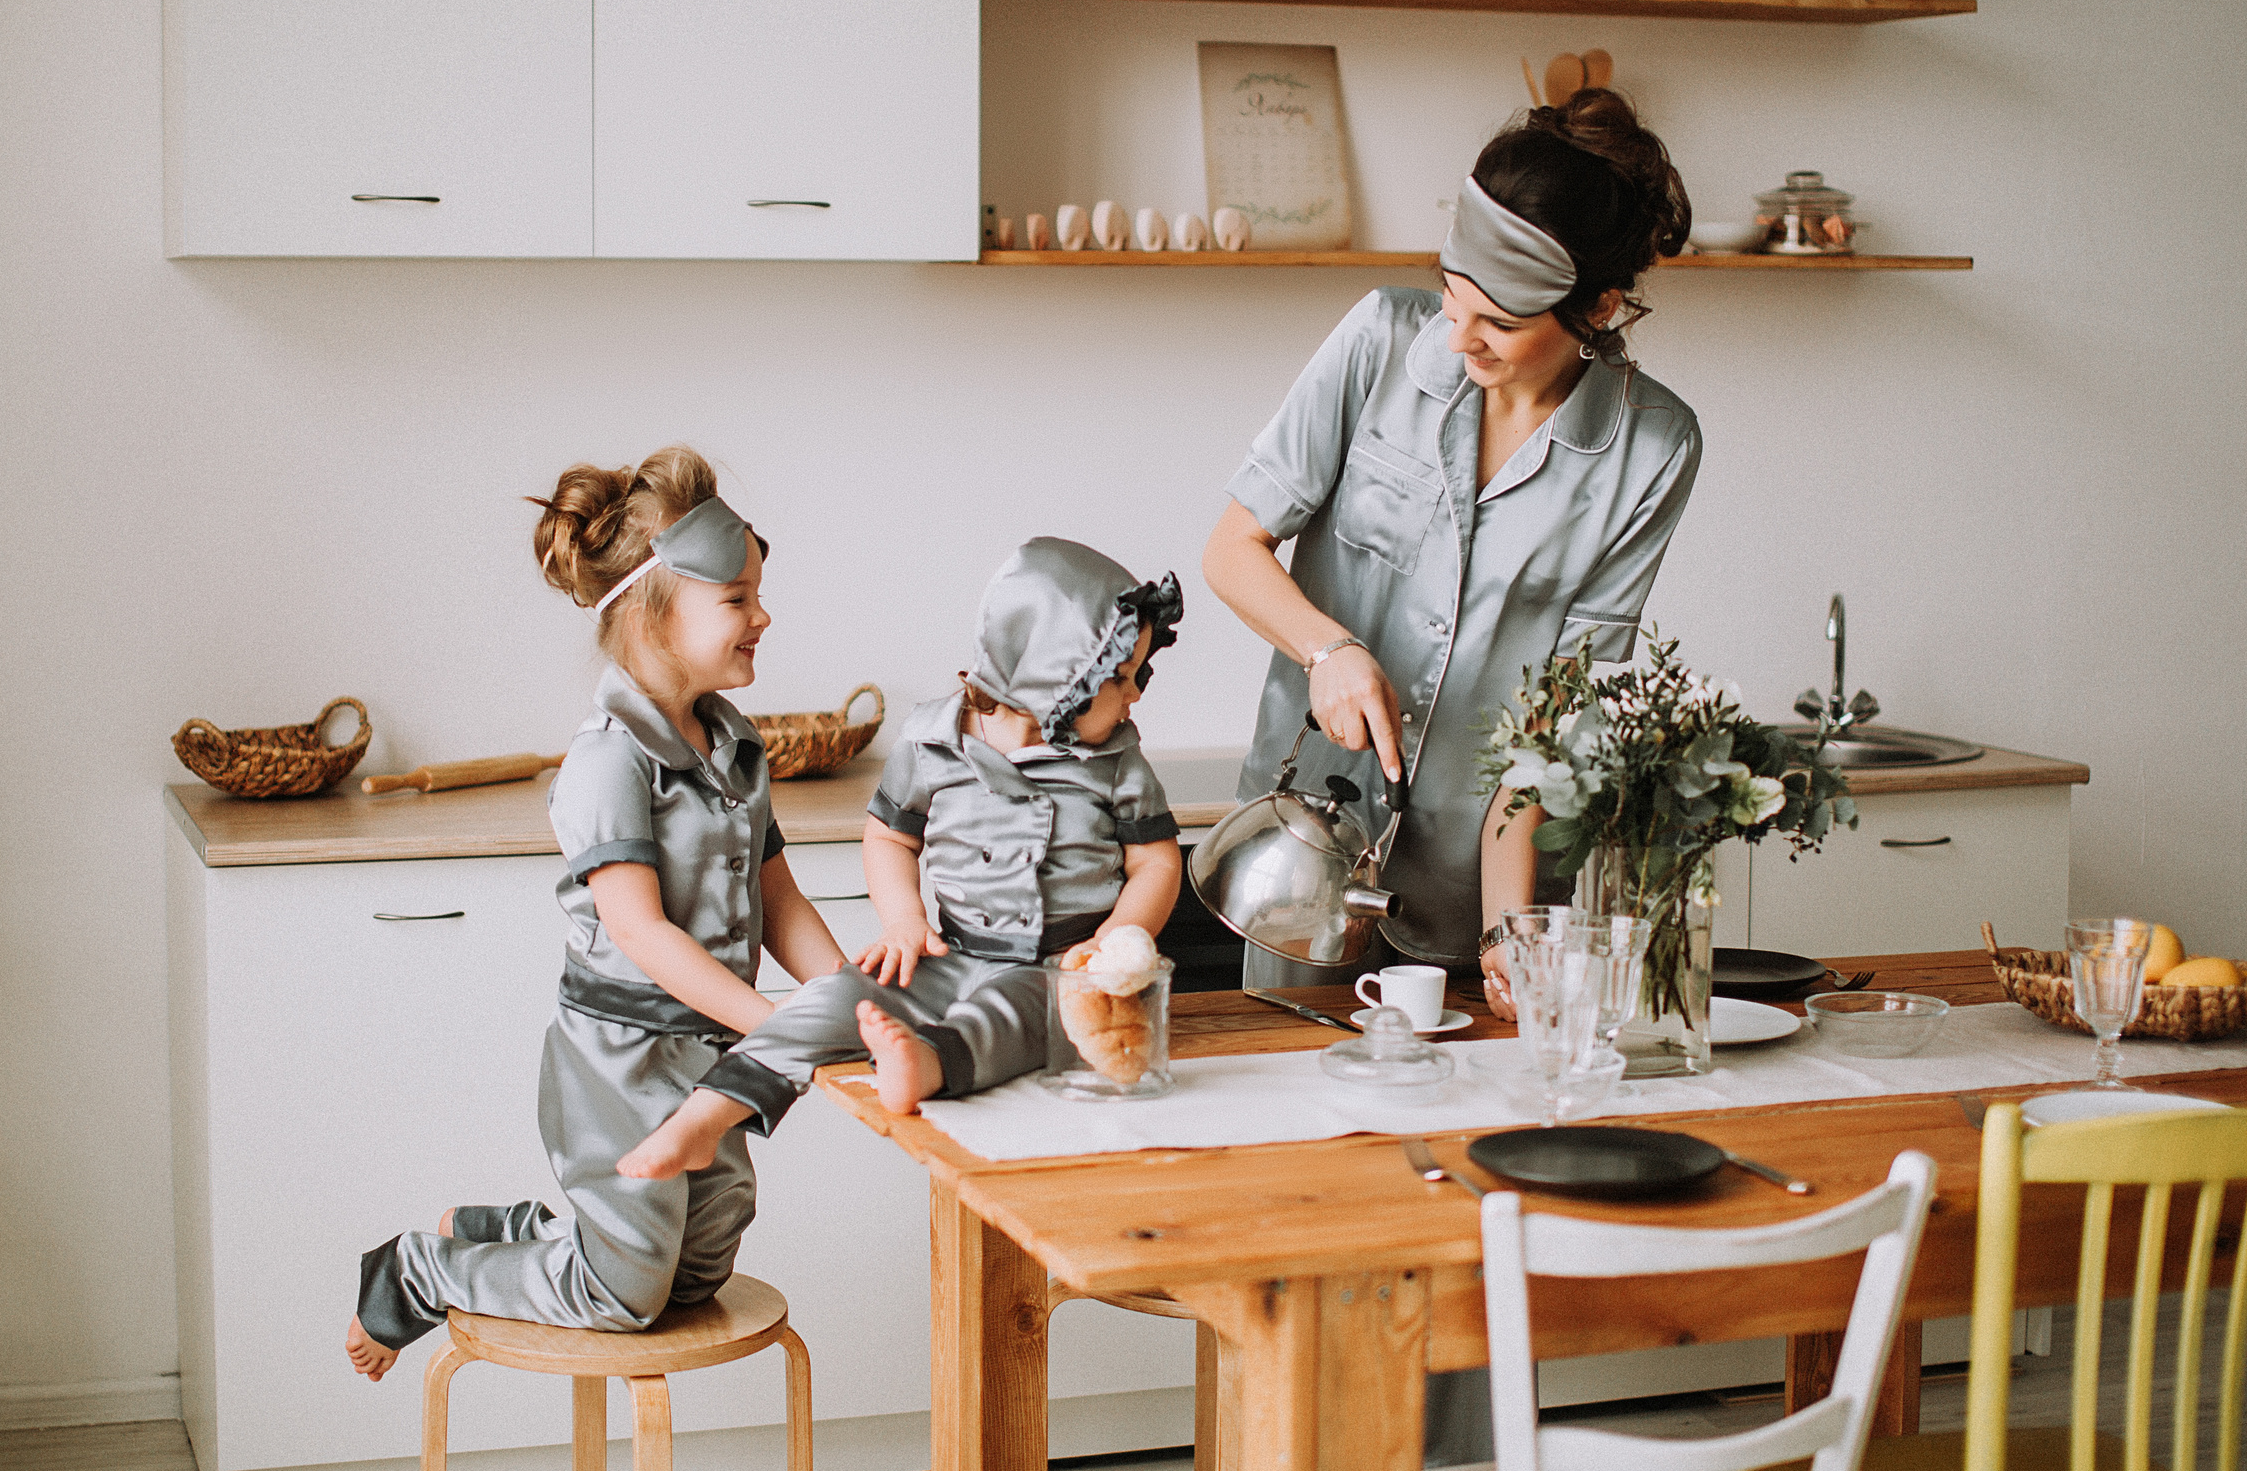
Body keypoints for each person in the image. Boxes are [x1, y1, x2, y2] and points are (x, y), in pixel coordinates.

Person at [344, 447, 846, 1378]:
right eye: (737, 599)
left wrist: (849, 997)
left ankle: (527, 1233)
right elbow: (641, 931)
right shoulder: (609, 760)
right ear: (655, 613)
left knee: (698, 1268)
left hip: (716, 1051)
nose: (763, 615)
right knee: (624, 1295)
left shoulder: (735, 746)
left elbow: (779, 896)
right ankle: (420, 1269)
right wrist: (779, 1024)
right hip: (623, 1062)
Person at [1203, 87, 1702, 1015]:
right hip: (1308, 859)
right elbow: (1233, 550)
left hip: (1478, 891)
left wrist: (1511, 930)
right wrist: (1330, 648)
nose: (1460, 335)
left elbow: (1549, 733)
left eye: (1501, 322)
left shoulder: (1652, 446)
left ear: (1597, 308)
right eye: (1451, 295)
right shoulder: (1379, 343)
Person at [618, 537, 1185, 1175]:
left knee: (1009, 1019)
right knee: (833, 998)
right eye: (1117, 677)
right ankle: (704, 1117)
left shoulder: (1117, 763)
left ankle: (927, 1062)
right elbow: (890, 836)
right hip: (949, 951)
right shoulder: (930, 741)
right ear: (1050, 672)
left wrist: (1111, 944)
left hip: (1057, 967)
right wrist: (904, 921)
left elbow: (1157, 862)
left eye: (1137, 675)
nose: (1134, 693)